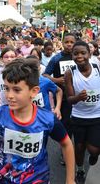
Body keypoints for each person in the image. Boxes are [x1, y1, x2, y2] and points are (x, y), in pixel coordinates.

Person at [0, 58, 75, 184]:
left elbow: (66, 143)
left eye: (16, 90)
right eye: (6, 88)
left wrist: (70, 180)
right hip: (5, 180)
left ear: (34, 91)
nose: (9, 95)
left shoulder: (48, 119)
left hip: (38, 180)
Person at [65, 41, 100, 183]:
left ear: (89, 54)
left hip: (97, 115)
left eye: (83, 53)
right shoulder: (70, 73)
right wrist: (78, 97)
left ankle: (92, 152)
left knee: (94, 150)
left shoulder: (98, 67)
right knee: (79, 148)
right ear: (72, 56)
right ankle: (80, 169)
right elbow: (69, 100)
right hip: (79, 117)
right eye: (76, 53)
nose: (79, 56)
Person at [43, 33, 76, 165]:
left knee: (76, 123)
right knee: (66, 123)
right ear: (62, 43)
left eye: (71, 42)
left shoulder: (78, 57)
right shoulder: (56, 58)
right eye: (66, 42)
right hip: (62, 97)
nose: (69, 44)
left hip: (78, 96)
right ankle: (65, 151)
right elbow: (45, 74)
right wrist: (55, 80)